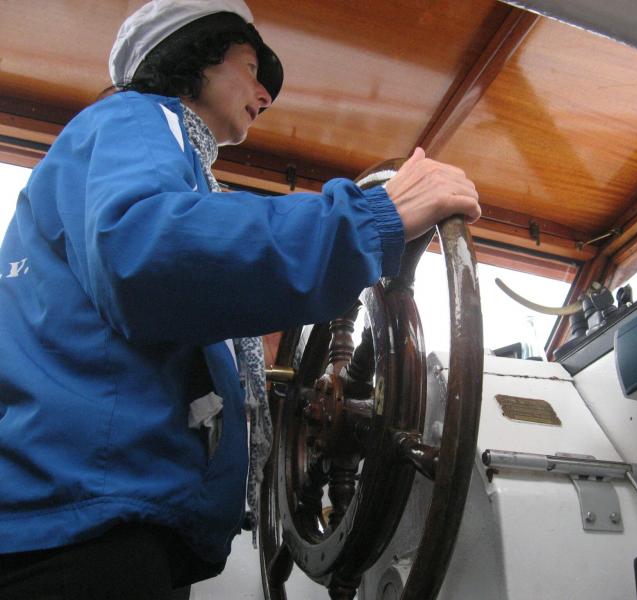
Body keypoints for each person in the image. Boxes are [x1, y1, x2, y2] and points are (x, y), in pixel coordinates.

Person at [0, 0, 480, 598]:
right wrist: (373, 219)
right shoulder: (137, 116)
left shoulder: (155, 158)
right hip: (88, 529)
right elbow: (145, 254)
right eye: (252, 69)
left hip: (92, 511)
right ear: (195, 58)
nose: (265, 94)